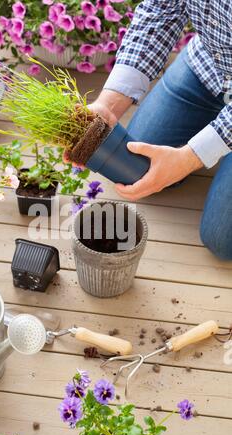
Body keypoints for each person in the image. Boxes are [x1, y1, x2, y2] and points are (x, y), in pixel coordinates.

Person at [89, 0, 232, 260]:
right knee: (138, 166)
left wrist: (190, 157)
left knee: (222, 241)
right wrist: (108, 104)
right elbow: (160, 9)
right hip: (212, 64)